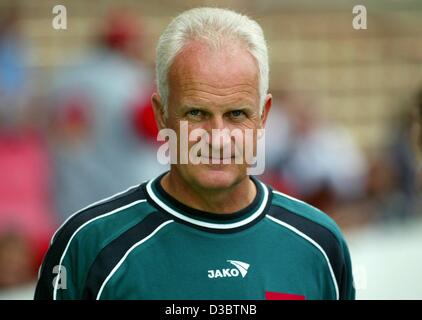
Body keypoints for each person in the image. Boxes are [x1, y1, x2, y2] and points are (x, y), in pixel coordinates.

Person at [35, 7, 355, 300]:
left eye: (236, 115)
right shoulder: (88, 246)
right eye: (197, 114)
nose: (217, 139)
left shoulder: (319, 244)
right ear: (162, 115)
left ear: (264, 116)